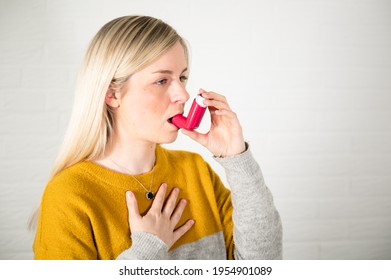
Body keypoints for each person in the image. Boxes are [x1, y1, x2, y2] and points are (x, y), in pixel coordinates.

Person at [31, 15, 282, 260]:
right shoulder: (69, 196)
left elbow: (262, 265)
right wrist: (148, 249)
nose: (183, 95)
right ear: (112, 95)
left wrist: (237, 159)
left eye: (182, 77)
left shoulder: (196, 171)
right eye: (161, 80)